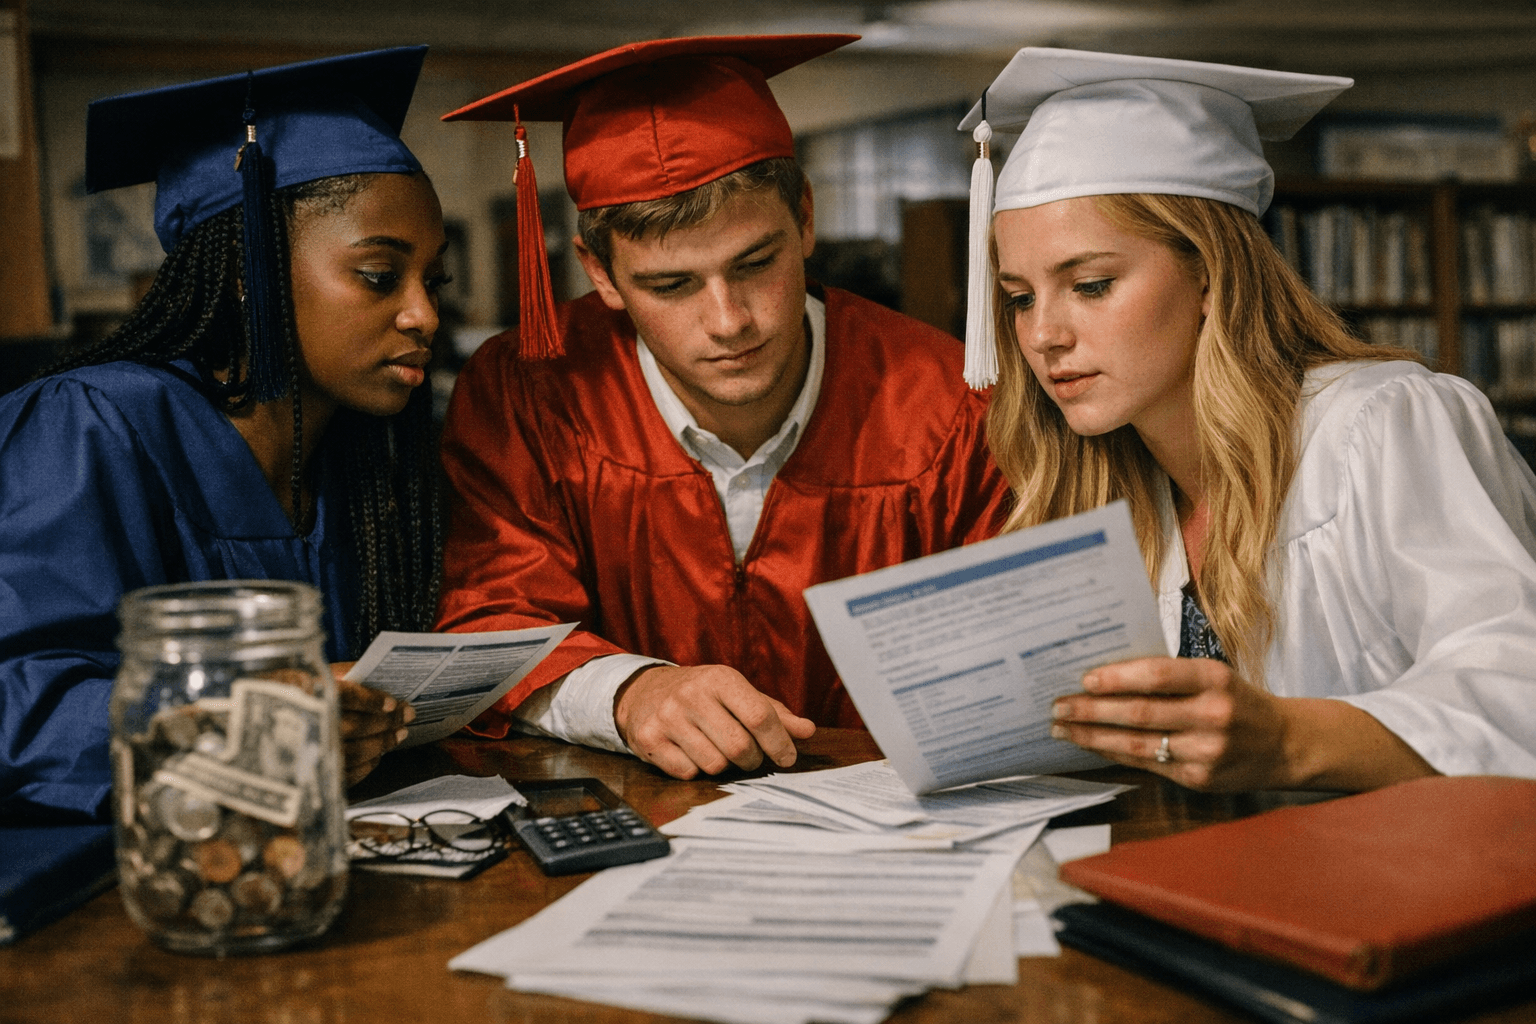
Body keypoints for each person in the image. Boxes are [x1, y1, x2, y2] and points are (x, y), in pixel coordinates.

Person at [436, 35, 1010, 781]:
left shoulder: (947, 402)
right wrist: (627, 693)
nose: (730, 321)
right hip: (639, 815)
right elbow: (495, 619)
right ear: (599, 273)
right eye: (670, 285)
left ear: (805, 219)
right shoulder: (528, 394)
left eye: (756, 262)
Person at [965, 48, 1536, 790]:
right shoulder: (1108, 484)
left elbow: (1517, 694)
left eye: (1092, 284)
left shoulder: (1382, 425)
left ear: (1209, 273)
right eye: (1019, 298)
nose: (1044, 335)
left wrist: (1287, 741)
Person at [0, 47, 448, 820]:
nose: (425, 315)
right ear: (250, 271)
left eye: (434, 281)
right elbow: (15, 703)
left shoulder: (362, 461)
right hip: (112, 870)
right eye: (380, 276)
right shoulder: (92, 423)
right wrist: (243, 726)